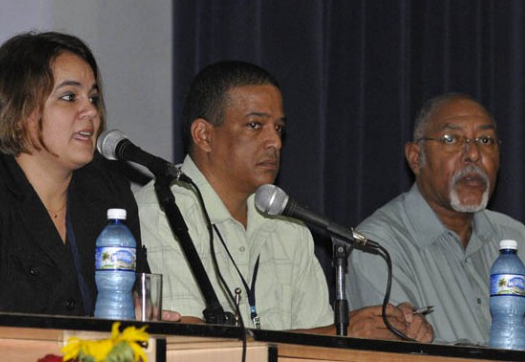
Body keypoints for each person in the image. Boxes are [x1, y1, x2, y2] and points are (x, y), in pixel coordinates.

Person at [135, 60, 433, 341]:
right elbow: (190, 345)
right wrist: (343, 333)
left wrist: (389, 333)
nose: (275, 142)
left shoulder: (290, 228)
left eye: (278, 128)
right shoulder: (159, 213)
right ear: (204, 135)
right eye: (255, 125)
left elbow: (317, 351)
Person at [0, 31, 154, 317]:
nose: (91, 111)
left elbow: (133, 303)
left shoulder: (108, 191)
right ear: (19, 111)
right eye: (70, 96)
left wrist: (144, 317)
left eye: (93, 98)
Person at [347, 93, 525, 345]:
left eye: (485, 140)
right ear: (415, 157)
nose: (473, 154)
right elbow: (397, 354)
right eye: (452, 139)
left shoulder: (517, 239)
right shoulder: (378, 246)